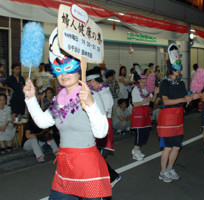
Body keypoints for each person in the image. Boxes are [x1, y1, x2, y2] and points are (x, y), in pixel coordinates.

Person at [23, 28, 111, 199]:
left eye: (69, 67)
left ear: (79, 68)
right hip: (65, 165)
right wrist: (31, 98)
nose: (64, 74)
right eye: (59, 69)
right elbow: (42, 122)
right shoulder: (58, 100)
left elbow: (101, 133)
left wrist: (91, 104)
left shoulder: (91, 96)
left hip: (88, 166)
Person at [157, 45, 195, 182]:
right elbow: (166, 101)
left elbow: (185, 100)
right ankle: (162, 172)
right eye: (176, 67)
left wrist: (193, 97)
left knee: (177, 147)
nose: (179, 70)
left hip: (178, 117)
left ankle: (169, 168)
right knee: (168, 147)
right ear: (171, 68)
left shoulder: (181, 84)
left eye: (180, 67)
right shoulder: (164, 83)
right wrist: (183, 99)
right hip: (167, 118)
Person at [86, 67, 121, 188]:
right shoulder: (98, 93)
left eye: (89, 83)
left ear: (95, 81)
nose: (89, 85)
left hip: (103, 127)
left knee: (97, 158)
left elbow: (103, 114)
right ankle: (108, 177)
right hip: (96, 127)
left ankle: (112, 177)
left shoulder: (105, 94)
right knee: (96, 158)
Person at [131, 67, 159, 161]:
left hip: (146, 112)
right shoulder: (135, 90)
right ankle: (135, 151)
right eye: (143, 78)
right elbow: (134, 104)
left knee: (146, 133)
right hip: (138, 112)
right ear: (138, 80)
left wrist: (155, 93)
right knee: (139, 134)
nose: (145, 79)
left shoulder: (147, 89)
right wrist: (145, 101)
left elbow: (153, 100)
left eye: (145, 78)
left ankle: (137, 150)